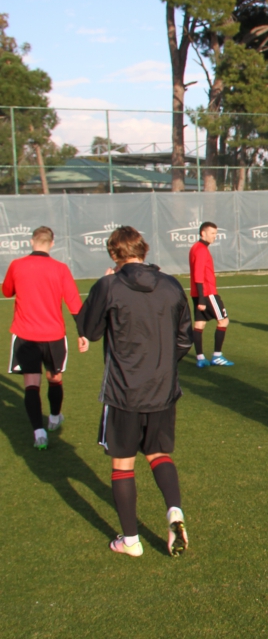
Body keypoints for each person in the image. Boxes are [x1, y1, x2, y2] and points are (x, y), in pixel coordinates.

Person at [75, 226, 193, 558]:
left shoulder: (109, 285)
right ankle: (174, 510)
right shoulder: (171, 284)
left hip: (123, 390)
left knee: (123, 464)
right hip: (162, 388)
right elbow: (185, 338)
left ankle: (130, 540)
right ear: (144, 250)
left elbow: (90, 330)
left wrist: (103, 285)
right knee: (158, 453)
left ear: (114, 254)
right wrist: (162, 366)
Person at [2, 226, 83, 450]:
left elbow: (6, 291)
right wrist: (82, 332)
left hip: (26, 335)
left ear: (32, 241)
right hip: (53, 335)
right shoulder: (60, 268)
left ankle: (39, 433)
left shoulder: (17, 265)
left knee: (31, 383)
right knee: (54, 377)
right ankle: (55, 417)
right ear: (52, 243)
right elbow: (74, 302)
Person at [189, 221, 234, 368]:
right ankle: (217, 356)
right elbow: (198, 274)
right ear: (203, 233)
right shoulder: (201, 249)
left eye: (216, 233)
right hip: (208, 293)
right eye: (212, 233)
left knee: (199, 324)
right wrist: (202, 299)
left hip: (198, 292)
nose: (215, 236)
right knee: (223, 321)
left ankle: (200, 358)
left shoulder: (196, 247)